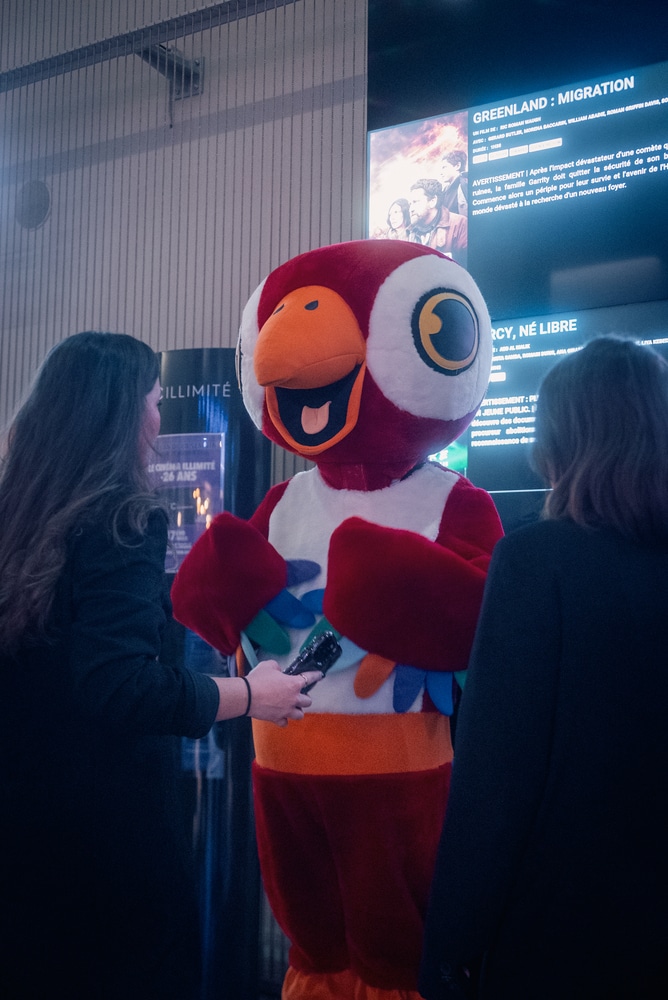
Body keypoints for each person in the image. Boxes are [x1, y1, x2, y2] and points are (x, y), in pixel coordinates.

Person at [0, 331, 323, 1000]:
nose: (156, 416)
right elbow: (119, 686)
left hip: (23, 835)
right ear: (120, 415)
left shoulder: (16, 519)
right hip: (108, 843)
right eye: (150, 400)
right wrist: (247, 693)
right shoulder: (123, 518)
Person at [419, 335, 668, 1000]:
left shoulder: (537, 562)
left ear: (559, 439)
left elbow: (495, 778)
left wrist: (449, 952)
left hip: (559, 936)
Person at [408, 178, 468, 262]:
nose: (411, 209)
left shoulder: (459, 224)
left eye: (415, 202)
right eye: (410, 204)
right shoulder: (409, 233)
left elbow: (472, 263)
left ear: (433, 201)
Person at [439, 150, 468, 217]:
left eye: (444, 167)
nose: (441, 173)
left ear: (457, 166)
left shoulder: (464, 184)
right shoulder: (446, 190)